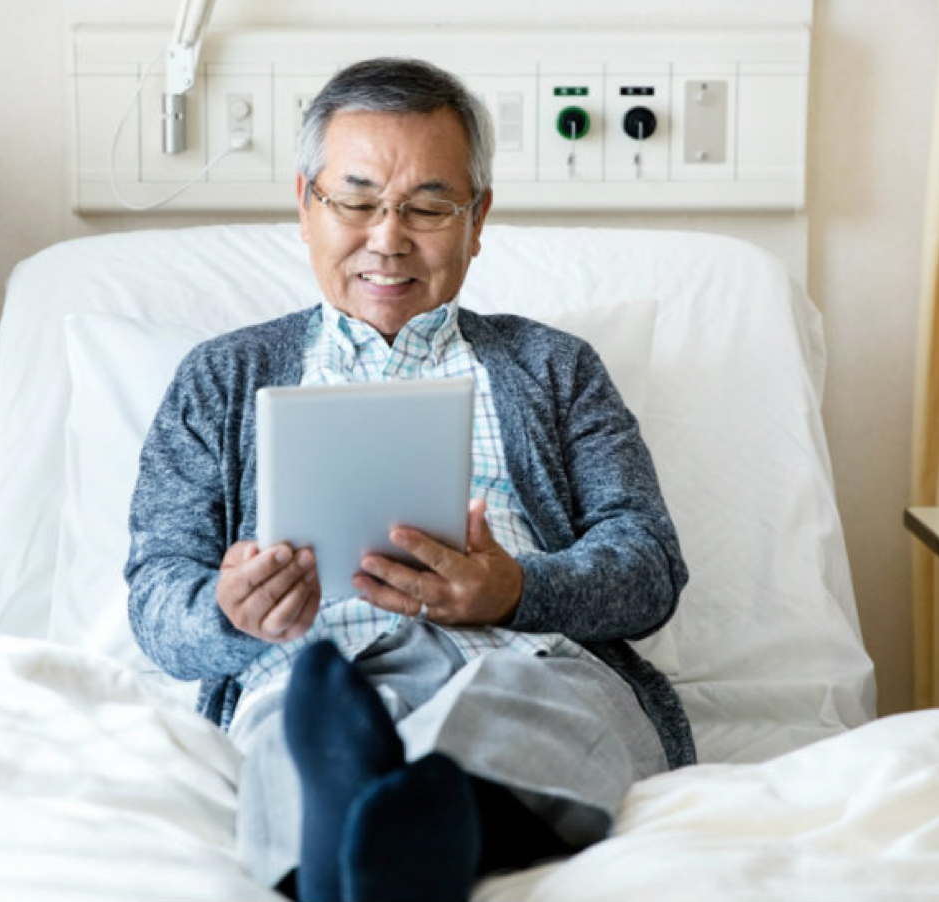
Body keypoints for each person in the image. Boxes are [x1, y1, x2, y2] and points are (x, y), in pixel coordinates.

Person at [126, 57, 695, 902]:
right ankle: (416, 826)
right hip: (311, 663)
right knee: (295, 717)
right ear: (306, 205)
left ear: (477, 219)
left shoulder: (556, 369)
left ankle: (375, 841)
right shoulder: (221, 378)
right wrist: (229, 610)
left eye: (428, 207)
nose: (388, 238)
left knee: (530, 706)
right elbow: (155, 593)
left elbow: (649, 565)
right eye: (356, 201)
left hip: (521, 659)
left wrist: (514, 590)